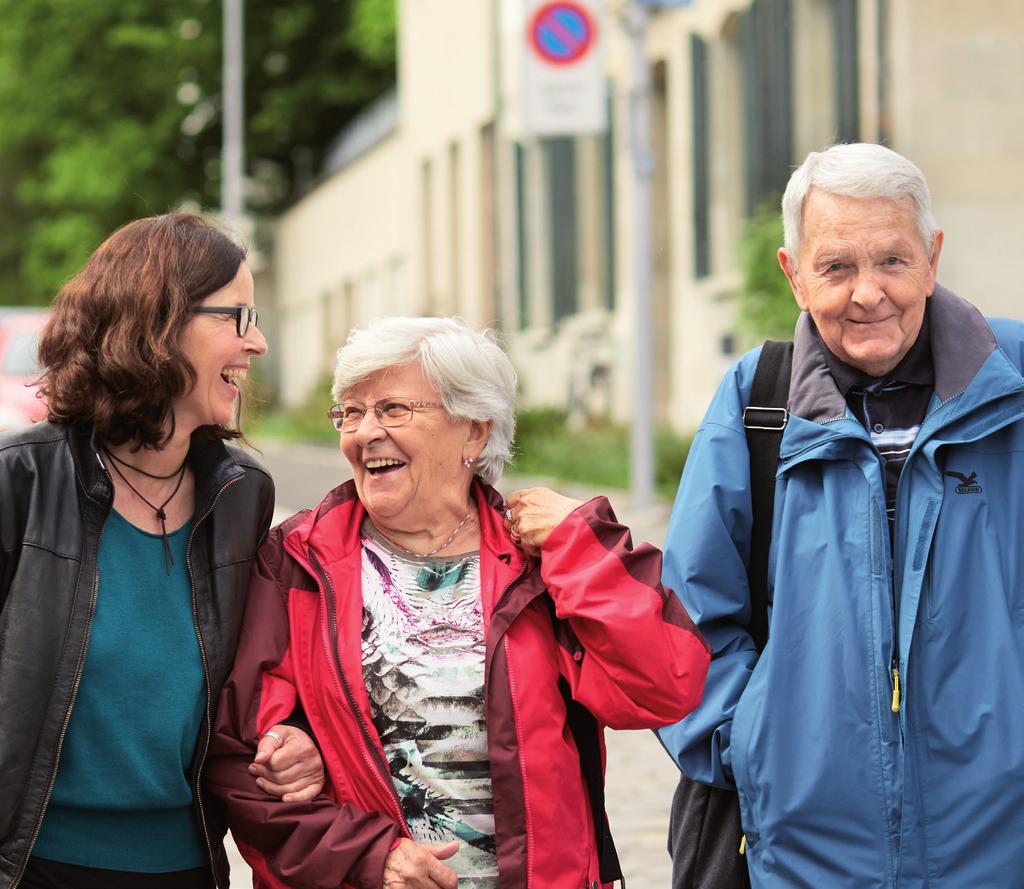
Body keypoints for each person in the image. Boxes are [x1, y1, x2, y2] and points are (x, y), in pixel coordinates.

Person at [205, 315, 711, 888]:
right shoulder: (297, 561)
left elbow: (662, 686)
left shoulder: (537, 562)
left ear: (474, 430)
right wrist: (371, 857)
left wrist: (583, 544)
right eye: (350, 412)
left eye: (393, 409)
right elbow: (243, 763)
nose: (364, 432)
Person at [657, 141, 1024, 888]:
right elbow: (688, 617)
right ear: (794, 275)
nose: (868, 292)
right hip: (808, 854)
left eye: (892, 260)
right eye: (837, 266)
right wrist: (756, 746)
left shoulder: (1012, 385)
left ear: (932, 256)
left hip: (1000, 845)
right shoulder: (758, 401)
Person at [0, 213, 323, 889]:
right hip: (32, 863)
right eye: (239, 315)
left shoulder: (243, 495)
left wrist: (294, 735)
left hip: (184, 863)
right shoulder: (20, 481)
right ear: (157, 321)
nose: (257, 341)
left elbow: (256, 677)